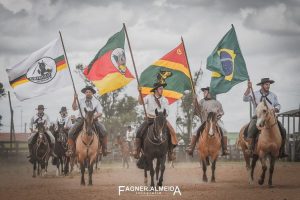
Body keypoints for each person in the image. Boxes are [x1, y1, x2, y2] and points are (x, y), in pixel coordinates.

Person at [132, 82, 178, 161]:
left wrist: (162, 117)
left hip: (161, 120)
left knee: (172, 132)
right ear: (156, 90)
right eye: (160, 89)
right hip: (150, 118)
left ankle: (171, 152)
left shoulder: (165, 100)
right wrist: (140, 93)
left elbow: (167, 112)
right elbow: (140, 102)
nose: (162, 90)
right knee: (139, 131)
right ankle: (137, 150)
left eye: (162, 89)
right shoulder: (149, 97)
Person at [243, 78, 288, 158]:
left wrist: (276, 109)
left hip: (271, 118)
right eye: (266, 84)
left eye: (269, 84)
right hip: (258, 117)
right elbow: (245, 99)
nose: (268, 86)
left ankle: (282, 150)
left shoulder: (273, 95)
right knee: (250, 130)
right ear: (262, 85)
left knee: (283, 130)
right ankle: (250, 148)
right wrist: (248, 88)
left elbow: (278, 105)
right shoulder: (255, 94)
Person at [66, 86, 109, 156]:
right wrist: (74, 99)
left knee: (104, 131)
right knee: (70, 132)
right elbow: (74, 108)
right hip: (81, 119)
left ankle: (104, 149)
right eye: (86, 92)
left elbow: (100, 112)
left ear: (92, 93)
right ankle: (71, 149)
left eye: (89, 92)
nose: (88, 93)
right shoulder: (80, 100)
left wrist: (93, 117)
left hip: (93, 120)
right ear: (85, 93)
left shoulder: (96, 102)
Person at [186, 87, 229, 156]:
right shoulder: (201, 101)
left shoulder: (217, 102)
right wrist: (195, 101)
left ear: (209, 93)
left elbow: (221, 112)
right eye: (204, 92)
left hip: (215, 121)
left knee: (224, 130)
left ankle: (225, 149)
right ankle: (191, 148)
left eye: (205, 92)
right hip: (204, 120)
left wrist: (216, 118)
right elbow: (197, 110)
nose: (204, 93)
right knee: (195, 131)